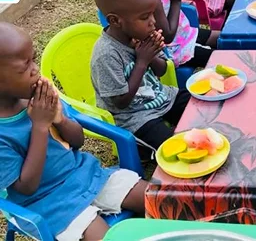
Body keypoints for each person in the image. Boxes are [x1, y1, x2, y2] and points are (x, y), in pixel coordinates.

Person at [0, 22, 147, 241]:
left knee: (156, 198)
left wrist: (58, 119)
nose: (35, 70)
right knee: (104, 236)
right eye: (24, 68)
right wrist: (40, 126)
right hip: (48, 203)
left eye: (33, 59)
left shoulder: (37, 96)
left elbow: (77, 142)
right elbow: (26, 188)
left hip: (84, 175)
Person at [91, 0, 190, 158]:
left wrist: (151, 56)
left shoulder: (143, 34)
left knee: (201, 108)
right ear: (115, 21)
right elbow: (121, 102)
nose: (153, 22)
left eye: (152, 14)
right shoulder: (106, 54)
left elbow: (161, 71)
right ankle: (143, 149)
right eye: (145, 17)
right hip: (133, 117)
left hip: (161, 97)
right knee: (176, 150)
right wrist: (142, 61)